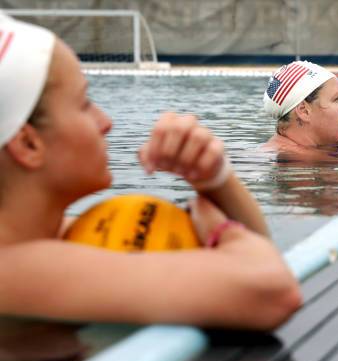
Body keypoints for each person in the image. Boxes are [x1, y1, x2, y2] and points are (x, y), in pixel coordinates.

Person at [0, 14, 302, 330]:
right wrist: (216, 226)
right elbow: (272, 293)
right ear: (28, 144)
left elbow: (262, 259)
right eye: (84, 103)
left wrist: (215, 179)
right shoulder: (16, 270)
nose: (106, 122)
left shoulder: (51, 235)